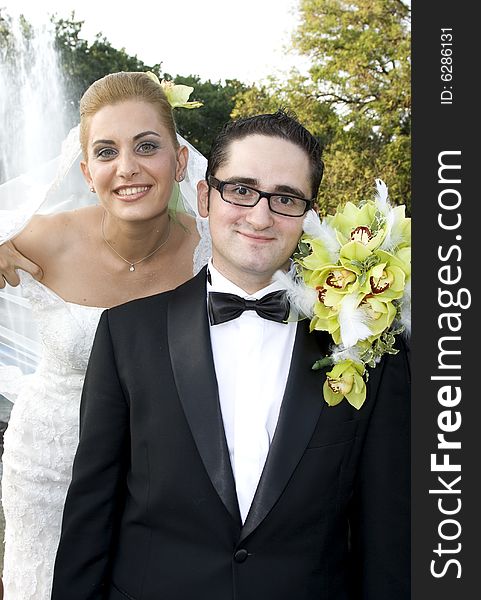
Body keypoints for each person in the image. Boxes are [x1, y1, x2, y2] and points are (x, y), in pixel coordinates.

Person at [51, 110, 410, 600]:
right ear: (205, 197)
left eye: (285, 198)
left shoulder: (365, 342)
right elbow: (91, 514)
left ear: (308, 217)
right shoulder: (125, 333)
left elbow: (387, 530)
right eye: (241, 189)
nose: (260, 216)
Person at [0, 71, 209, 600]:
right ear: (87, 170)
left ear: (179, 160)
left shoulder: (211, 250)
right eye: (107, 151)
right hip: (49, 465)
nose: (128, 168)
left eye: (146, 146)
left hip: (154, 473)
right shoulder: (46, 239)